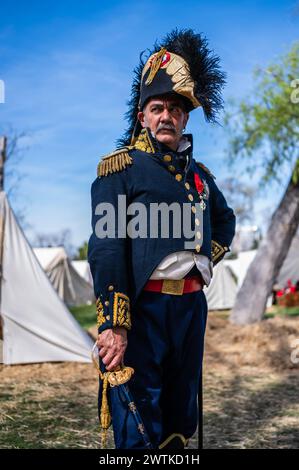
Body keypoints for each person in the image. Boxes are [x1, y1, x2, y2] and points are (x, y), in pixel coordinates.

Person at [88, 28, 236, 450]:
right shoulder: (121, 169)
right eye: (157, 108)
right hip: (144, 309)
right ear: (143, 117)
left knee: (179, 414)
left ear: (186, 116)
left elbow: (225, 221)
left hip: (191, 308)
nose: (166, 116)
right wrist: (114, 323)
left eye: (175, 108)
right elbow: (107, 248)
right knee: (139, 419)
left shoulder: (200, 177)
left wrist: (205, 257)